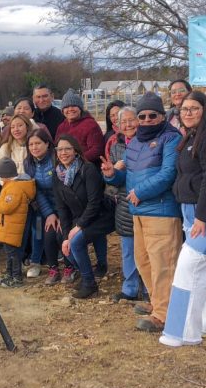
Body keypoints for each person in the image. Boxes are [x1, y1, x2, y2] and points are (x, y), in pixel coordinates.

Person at [161, 91, 206, 347]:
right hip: (193, 213)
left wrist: (202, 217)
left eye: (194, 108)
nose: (188, 113)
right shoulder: (193, 135)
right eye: (184, 109)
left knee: (188, 269)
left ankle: (182, 333)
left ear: (204, 109)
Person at [102, 93, 181, 332]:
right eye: (142, 115)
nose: (146, 119)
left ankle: (165, 315)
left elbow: (168, 174)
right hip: (139, 211)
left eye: (152, 115)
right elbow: (127, 174)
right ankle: (157, 303)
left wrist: (140, 192)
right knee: (144, 261)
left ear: (162, 116)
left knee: (163, 264)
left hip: (161, 211)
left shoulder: (171, 138)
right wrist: (111, 174)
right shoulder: (135, 142)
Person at [54, 134, 114, 299]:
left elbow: (94, 202)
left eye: (67, 148)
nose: (63, 152)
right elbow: (62, 209)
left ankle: (89, 283)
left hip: (101, 215)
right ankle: (86, 272)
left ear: (76, 151)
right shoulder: (57, 174)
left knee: (77, 241)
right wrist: (67, 235)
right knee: (65, 243)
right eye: (60, 149)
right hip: (79, 217)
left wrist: (78, 228)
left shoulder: (87, 169)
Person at [102, 107, 144, 303]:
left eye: (131, 120)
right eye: (123, 122)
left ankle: (148, 288)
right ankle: (130, 288)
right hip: (124, 204)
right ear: (117, 126)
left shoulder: (147, 143)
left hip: (145, 201)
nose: (128, 125)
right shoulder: (116, 147)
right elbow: (114, 180)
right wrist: (110, 174)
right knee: (128, 249)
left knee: (146, 249)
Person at [25, 129, 69, 284]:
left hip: (63, 206)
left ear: (47, 144)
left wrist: (57, 213)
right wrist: (49, 213)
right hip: (42, 207)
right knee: (38, 230)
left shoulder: (56, 160)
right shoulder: (28, 163)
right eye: (31, 144)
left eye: (38, 143)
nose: (34, 147)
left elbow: (61, 189)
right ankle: (36, 263)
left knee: (58, 233)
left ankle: (69, 267)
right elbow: (35, 190)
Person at [0, 157, 36, 288]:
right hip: (10, 227)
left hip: (12, 228)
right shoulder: (12, 186)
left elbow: (6, 207)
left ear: (4, 176)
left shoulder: (14, 188)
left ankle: (16, 277)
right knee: (10, 253)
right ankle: (9, 274)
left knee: (13, 254)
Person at [54, 89, 105, 165]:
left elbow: (97, 150)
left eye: (74, 106)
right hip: (65, 167)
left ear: (80, 108)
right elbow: (57, 148)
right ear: (62, 110)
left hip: (86, 168)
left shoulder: (90, 124)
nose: (70, 109)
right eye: (67, 107)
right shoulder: (61, 127)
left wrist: (75, 161)